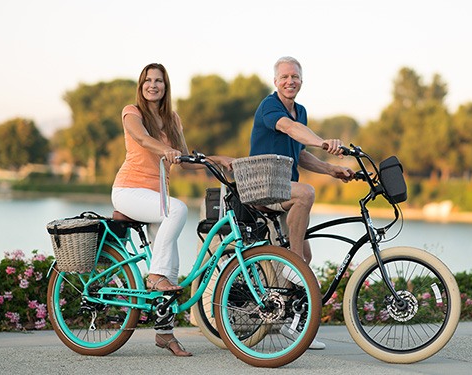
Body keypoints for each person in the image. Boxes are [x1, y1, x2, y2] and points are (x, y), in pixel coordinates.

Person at [111, 63, 233, 357]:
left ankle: (164, 335)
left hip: (156, 197)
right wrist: (163, 150)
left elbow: (186, 159)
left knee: (173, 267)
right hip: (129, 191)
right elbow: (141, 139)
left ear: (166, 86)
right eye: (148, 81)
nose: (153, 85)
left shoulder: (172, 118)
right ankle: (153, 277)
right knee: (177, 210)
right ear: (141, 86)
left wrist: (216, 160)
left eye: (159, 81)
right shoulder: (132, 112)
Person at [250, 56, 354, 350]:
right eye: (284, 77)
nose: (289, 81)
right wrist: (322, 141)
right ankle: (291, 263)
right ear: (275, 81)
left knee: (305, 257)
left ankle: (286, 325)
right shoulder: (270, 106)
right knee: (306, 193)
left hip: (284, 190)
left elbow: (300, 154)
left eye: (294, 76)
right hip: (264, 185)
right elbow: (289, 129)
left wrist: (332, 169)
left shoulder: (302, 111)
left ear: (302, 81)